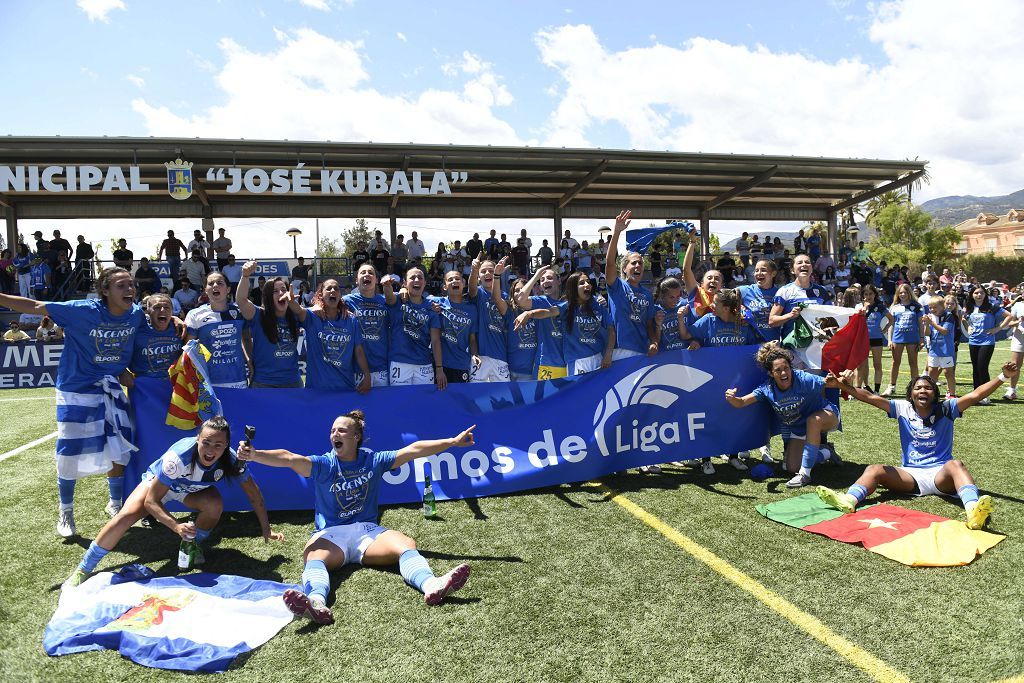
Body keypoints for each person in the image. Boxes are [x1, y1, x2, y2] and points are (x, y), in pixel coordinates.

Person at [237, 412, 472, 623]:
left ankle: (433, 585)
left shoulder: (373, 460)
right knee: (313, 555)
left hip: (367, 532)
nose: (334, 434)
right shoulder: (324, 464)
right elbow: (288, 458)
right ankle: (315, 603)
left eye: (341, 430)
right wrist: (255, 455)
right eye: (332, 430)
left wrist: (452, 442)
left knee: (406, 544)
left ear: (356, 437)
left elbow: (413, 450)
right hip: (331, 535)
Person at [0, 268, 150, 535]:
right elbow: (35, 305)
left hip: (111, 387)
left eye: (132, 285)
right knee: (70, 451)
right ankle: (66, 511)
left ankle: (115, 505)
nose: (130, 289)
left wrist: (175, 322)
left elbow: (146, 335)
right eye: (121, 285)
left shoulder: (136, 314)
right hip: (75, 389)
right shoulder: (81, 310)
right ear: (104, 291)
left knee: (119, 447)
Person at [64, 417, 283, 588]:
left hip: (188, 490)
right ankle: (83, 569)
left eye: (218, 445)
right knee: (126, 517)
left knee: (214, 505)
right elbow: (151, 501)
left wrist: (267, 529)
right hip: (158, 486)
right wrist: (176, 526)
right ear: (198, 439)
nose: (210, 450)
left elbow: (254, 495)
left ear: (226, 446)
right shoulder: (178, 458)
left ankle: (192, 544)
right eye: (206, 442)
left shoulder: (233, 460)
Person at [816, 363, 1020, 530]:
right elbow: (869, 397)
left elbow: (975, 395)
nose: (923, 390)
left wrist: (1002, 377)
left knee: (956, 464)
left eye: (928, 387)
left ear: (935, 393)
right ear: (911, 393)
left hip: (941, 475)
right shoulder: (902, 408)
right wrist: (841, 386)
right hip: (910, 476)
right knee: (874, 469)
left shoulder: (947, 408)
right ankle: (849, 500)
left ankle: (973, 512)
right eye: (918, 387)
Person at [725, 342, 840, 488]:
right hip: (799, 429)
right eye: (778, 370)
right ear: (771, 373)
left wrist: (842, 379)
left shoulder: (803, 379)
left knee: (813, 421)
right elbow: (741, 403)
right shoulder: (766, 390)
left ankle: (805, 475)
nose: (784, 373)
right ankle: (826, 452)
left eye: (786, 368)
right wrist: (731, 398)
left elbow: (830, 383)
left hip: (826, 416)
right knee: (791, 468)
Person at [683, 289, 759, 474]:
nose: (711, 306)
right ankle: (706, 459)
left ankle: (733, 456)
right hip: (712, 380)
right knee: (709, 419)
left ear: (726, 308)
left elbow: (752, 347)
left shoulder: (743, 324)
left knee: (734, 418)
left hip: (737, 380)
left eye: (715, 303)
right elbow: (687, 334)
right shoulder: (708, 320)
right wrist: (695, 341)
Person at [516, 271, 614, 377]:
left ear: (559, 281)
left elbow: (611, 331)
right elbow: (547, 311)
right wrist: (529, 313)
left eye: (588, 282)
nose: (586, 285)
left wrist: (608, 353)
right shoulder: (550, 303)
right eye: (542, 279)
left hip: (590, 359)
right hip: (551, 365)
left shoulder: (594, 304)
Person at [288, 278, 371, 392]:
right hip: (317, 389)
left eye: (336, 289)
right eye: (328, 288)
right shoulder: (312, 317)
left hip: (345, 387)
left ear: (340, 295)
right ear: (321, 294)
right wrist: (291, 302)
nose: (333, 290)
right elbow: (299, 311)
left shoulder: (351, 320)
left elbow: (359, 350)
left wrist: (367, 374)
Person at [235, 264, 303, 388]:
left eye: (284, 289)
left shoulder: (296, 315)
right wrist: (245, 276)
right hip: (263, 382)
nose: (281, 293)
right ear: (267, 297)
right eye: (275, 291)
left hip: (293, 382)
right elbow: (241, 300)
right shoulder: (258, 314)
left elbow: (318, 313)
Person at [605, 210, 657, 360]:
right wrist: (616, 232)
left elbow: (648, 324)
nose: (638, 266)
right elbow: (609, 263)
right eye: (633, 263)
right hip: (620, 351)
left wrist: (653, 341)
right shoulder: (617, 286)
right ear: (624, 268)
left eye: (640, 263)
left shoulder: (647, 294)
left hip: (642, 351)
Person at [185, 272, 251, 389]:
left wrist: (250, 360)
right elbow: (188, 349)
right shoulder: (195, 315)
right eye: (211, 283)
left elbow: (246, 339)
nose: (215, 285)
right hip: (208, 381)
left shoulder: (240, 312)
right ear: (205, 290)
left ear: (228, 289)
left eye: (220, 283)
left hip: (237, 379)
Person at [342, 263, 396, 388]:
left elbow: (406, 298)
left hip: (381, 368)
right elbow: (325, 303)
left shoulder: (385, 301)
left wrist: (403, 289)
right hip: (356, 369)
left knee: (382, 407)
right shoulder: (347, 301)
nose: (367, 274)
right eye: (363, 272)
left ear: (377, 280)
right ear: (356, 280)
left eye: (371, 273)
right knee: (357, 407)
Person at [515, 264, 566, 380]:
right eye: (542, 280)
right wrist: (536, 276)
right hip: (546, 364)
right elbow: (520, 300)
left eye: (549, 278)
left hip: (568, 363)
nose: (545, 281)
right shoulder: (540, 301)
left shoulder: (568, 303)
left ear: (558, 281)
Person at [963, 284, 1011, 404]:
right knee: (975, 368)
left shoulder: (992, 307)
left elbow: (1009, 316)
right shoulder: (969, 307)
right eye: (976, 293)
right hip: (973, 341)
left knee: (982, 367)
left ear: (985, 294)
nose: (979, 295)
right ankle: (975, 394)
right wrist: (968, 327)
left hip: (987, 341)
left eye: (981, 293)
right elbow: (963, 318)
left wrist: (997, 329)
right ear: (972, 295)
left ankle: (985, 395)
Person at [466, 257, 511, 382]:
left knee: (503, 397)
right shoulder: (479, 293)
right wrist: (474, 271)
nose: (487, 273)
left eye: (491, 271)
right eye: (483, 271)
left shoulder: (505, 296)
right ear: (479, 277)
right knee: (476, 397)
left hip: (501, 355)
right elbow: (471, 288)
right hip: (479, 355)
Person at [769, 253, 831, 338]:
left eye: (807, 262)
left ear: (812, 269)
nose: (804, 264)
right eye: (799, 263)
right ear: (792, 270)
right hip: (793, 348)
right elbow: (772, 321)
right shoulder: (784, 291)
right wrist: (790, 315)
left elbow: (831, 316)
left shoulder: (822, 291)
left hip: (817, 346)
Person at [432, 270, 479, 384]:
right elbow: (417, 298)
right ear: (444, 286)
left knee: (459, 400)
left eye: (457, 279)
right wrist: (403, 289)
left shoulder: (472, 308)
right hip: (441, 364)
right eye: (450, 279)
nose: (454, 281)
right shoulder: (436, 302)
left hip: (462, 363)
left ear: (463, 283)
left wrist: (474, 354)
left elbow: (472, 339)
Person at [123, 293, 182, 381]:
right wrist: (122, 372)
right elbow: (117, 351)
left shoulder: (181, 329)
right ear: (147, 311)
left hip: (174, 383)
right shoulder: (136, 329)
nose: (162, 310)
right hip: (144, 384)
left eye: (167, 307)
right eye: (157, 307)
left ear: (172, 311)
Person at [882, 283, 924, 397]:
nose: (903, 294)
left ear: (909, 293)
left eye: (905, 292)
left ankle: (916, 387)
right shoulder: (894, 307)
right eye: (900, 293)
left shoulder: (916, 306)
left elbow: (921, 323)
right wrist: (889, 340)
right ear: (897, 294)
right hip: (897, 338)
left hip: (912, 338)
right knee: (895, 363)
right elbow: (891, 324)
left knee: (913, 363)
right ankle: (891, 386)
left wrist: (921, 338)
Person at [856, 284, 893, 393]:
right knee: (861, 365)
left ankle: (876, 390)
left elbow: (891, 319)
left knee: (877, 364)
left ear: (875, 295)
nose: (868, 296)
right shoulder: (859, 307)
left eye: (871, 294)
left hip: (876, 338)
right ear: (863, 296)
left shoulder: (880, 307)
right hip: (863, 339)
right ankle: (858, 389)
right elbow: (856, 321)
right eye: (866, 294)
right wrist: (865, 308)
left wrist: (884, 329)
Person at [738, 259, 781, 343]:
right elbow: (723, 297)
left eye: (763, 270)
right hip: (750, 345)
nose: (758, 273)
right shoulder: (745, 291)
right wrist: (739, 308)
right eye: (756, 270)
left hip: (773, 344)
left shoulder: (780, 293)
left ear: (773, 273)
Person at [924, 295, 957, 399]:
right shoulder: (930, 316)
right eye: (930, 307)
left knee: (948, 372)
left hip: (946, 350)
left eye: (935, 307)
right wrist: (926, 324)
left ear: (942, 306)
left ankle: (951, 394)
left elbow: (945, 331)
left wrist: (931, 323)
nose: (932, 310)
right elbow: (927, 333)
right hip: (934, 349)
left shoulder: (949, 315)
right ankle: (932, 393)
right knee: (932, 373)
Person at [1005, 294, 1024, 401]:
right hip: (1019, 338)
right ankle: (1012, 390)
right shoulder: (1017, 305)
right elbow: (1010, 323)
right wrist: (1019, 321)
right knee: (1015, 365)